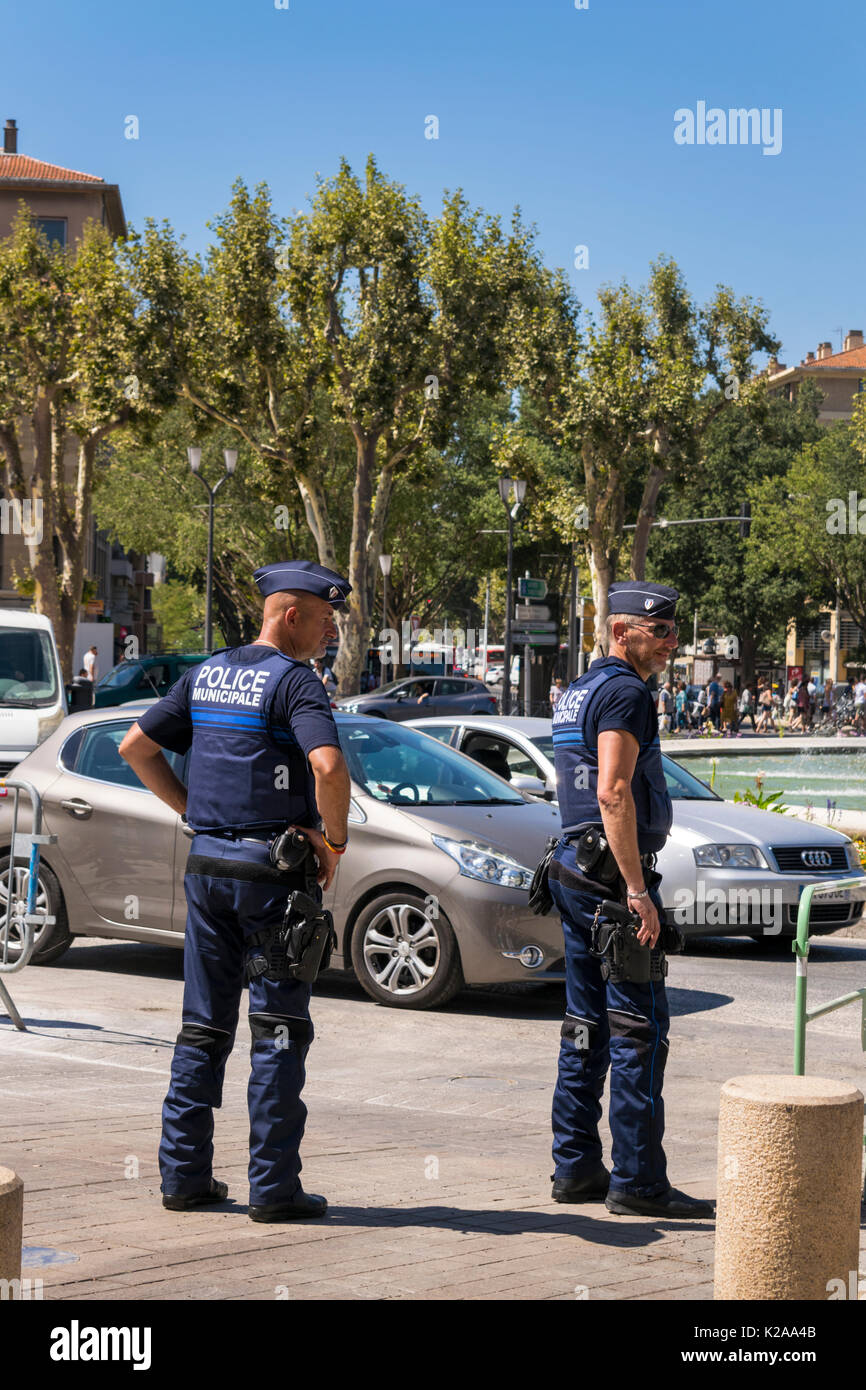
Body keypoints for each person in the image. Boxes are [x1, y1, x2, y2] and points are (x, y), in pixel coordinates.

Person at [118, 560, 352, 1223]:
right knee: (278, 1029)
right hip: (273, 880)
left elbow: (136, 747)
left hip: (207, 869)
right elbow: (328, 766)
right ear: (291, 615)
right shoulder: (295, 683)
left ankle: (183, 1178)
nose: (330, 633)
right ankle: (274, 1190)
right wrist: (333, 842)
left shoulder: (207, 673)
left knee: (201, 1027)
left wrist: (193, 812)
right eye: (326, 620)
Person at [548, 581, 714, 1219]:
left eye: (674, 631)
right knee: (638, 1032)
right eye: (662, 633)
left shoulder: (578, 689)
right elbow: (614, 792)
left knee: (583, 1028)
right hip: (610, 884)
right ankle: (639, 1184)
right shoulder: (625, 691)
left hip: (571, 869)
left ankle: (575, 1169)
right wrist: (639, 891)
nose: (673, 644)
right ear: (622, 632)